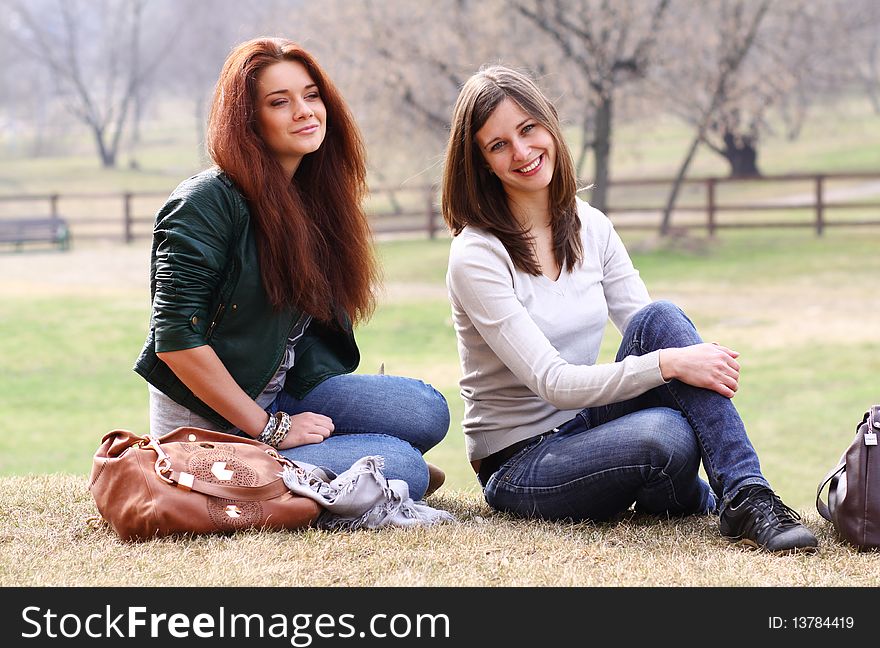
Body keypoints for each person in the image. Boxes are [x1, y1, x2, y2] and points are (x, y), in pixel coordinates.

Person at [441, 64, 817, 552]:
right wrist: (670, 363)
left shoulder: (589, 226)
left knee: (660, 318)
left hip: (587, 422)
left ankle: (746, 492)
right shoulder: (477, 256)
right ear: (481, 163)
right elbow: (552, 382)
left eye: (528, 129)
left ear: (550, 125)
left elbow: (650, 328)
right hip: (521, 461)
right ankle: (691, 493)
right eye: (498, 145)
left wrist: (677, 358)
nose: (522, 151)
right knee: (666, 435)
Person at [134, 37, 449, 500]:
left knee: (426, 411)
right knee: (405, 464)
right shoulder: (204, 203)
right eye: (280, 102)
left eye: (311, 95)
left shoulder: (311, 199)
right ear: (248, 120)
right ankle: (339, 467)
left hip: (280, 396)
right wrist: (270, 428)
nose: (305, 111)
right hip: (211, 432)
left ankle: (350, 464)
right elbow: (177, 344)